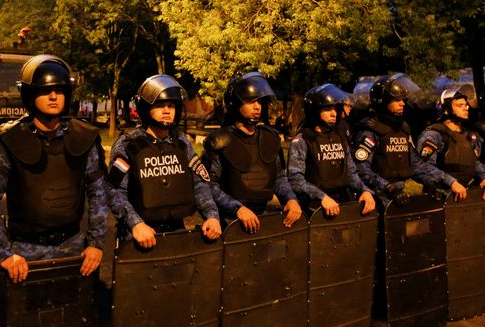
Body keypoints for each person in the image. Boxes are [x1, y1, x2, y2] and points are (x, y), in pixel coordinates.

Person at [0, 55, 107, 283]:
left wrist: (96, 244)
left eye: (59, 90)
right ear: (30, 94)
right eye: (45, 91)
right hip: (24, 252)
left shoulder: (83, 137)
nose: (54, 96)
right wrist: (4, 253)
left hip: (73, 247)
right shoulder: (9, 140)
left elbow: (98, 194)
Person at [107, 74, 221, 249]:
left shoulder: (182, 144)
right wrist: (136, 223)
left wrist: (212, 215)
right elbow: (115, 191)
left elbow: (199, 184)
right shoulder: (129, 145)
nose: (167, 110)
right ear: (145, 108)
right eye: (160, 105)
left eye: (171, 105)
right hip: (138, 236)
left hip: (177, 233)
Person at [203, 71, 302, 232]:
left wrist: (290, 199)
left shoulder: (269, 138)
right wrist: (238, 208)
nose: (257, 107)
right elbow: (209, 186)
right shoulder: (220, 141)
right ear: (234, 104)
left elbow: (278, 176)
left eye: (260, 102)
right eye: (250, 101)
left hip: (265, 217)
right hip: (230, 222)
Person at [353, 73, 464, 205]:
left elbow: (416, 165)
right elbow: (362, 169)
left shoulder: (402, 129)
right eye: (397, 100)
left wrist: (444, 181)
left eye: (403, 100)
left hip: (400, 195)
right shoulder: (370, 130)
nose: (402, 104)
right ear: (382, 101)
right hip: (376, 197)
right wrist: (388, 188)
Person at [287, 83, 375, 216]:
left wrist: (365, 191)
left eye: (336, 108)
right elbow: (295, 180)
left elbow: (351, 173)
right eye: (328, 109)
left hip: (343, 203)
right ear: (314, 110)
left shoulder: (340, 137)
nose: (334, 113)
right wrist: (322, 197)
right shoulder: (302, 140)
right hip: (314, 208)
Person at [416, 87, 485, 200]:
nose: (466, 108)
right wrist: (451, 182)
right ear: (446, 109)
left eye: (466, 105)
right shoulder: (434, 135)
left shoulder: (470, 136)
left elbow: (474, 163)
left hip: (465, 196)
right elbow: (422, 166)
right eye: (459, 105)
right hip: (438, 198)